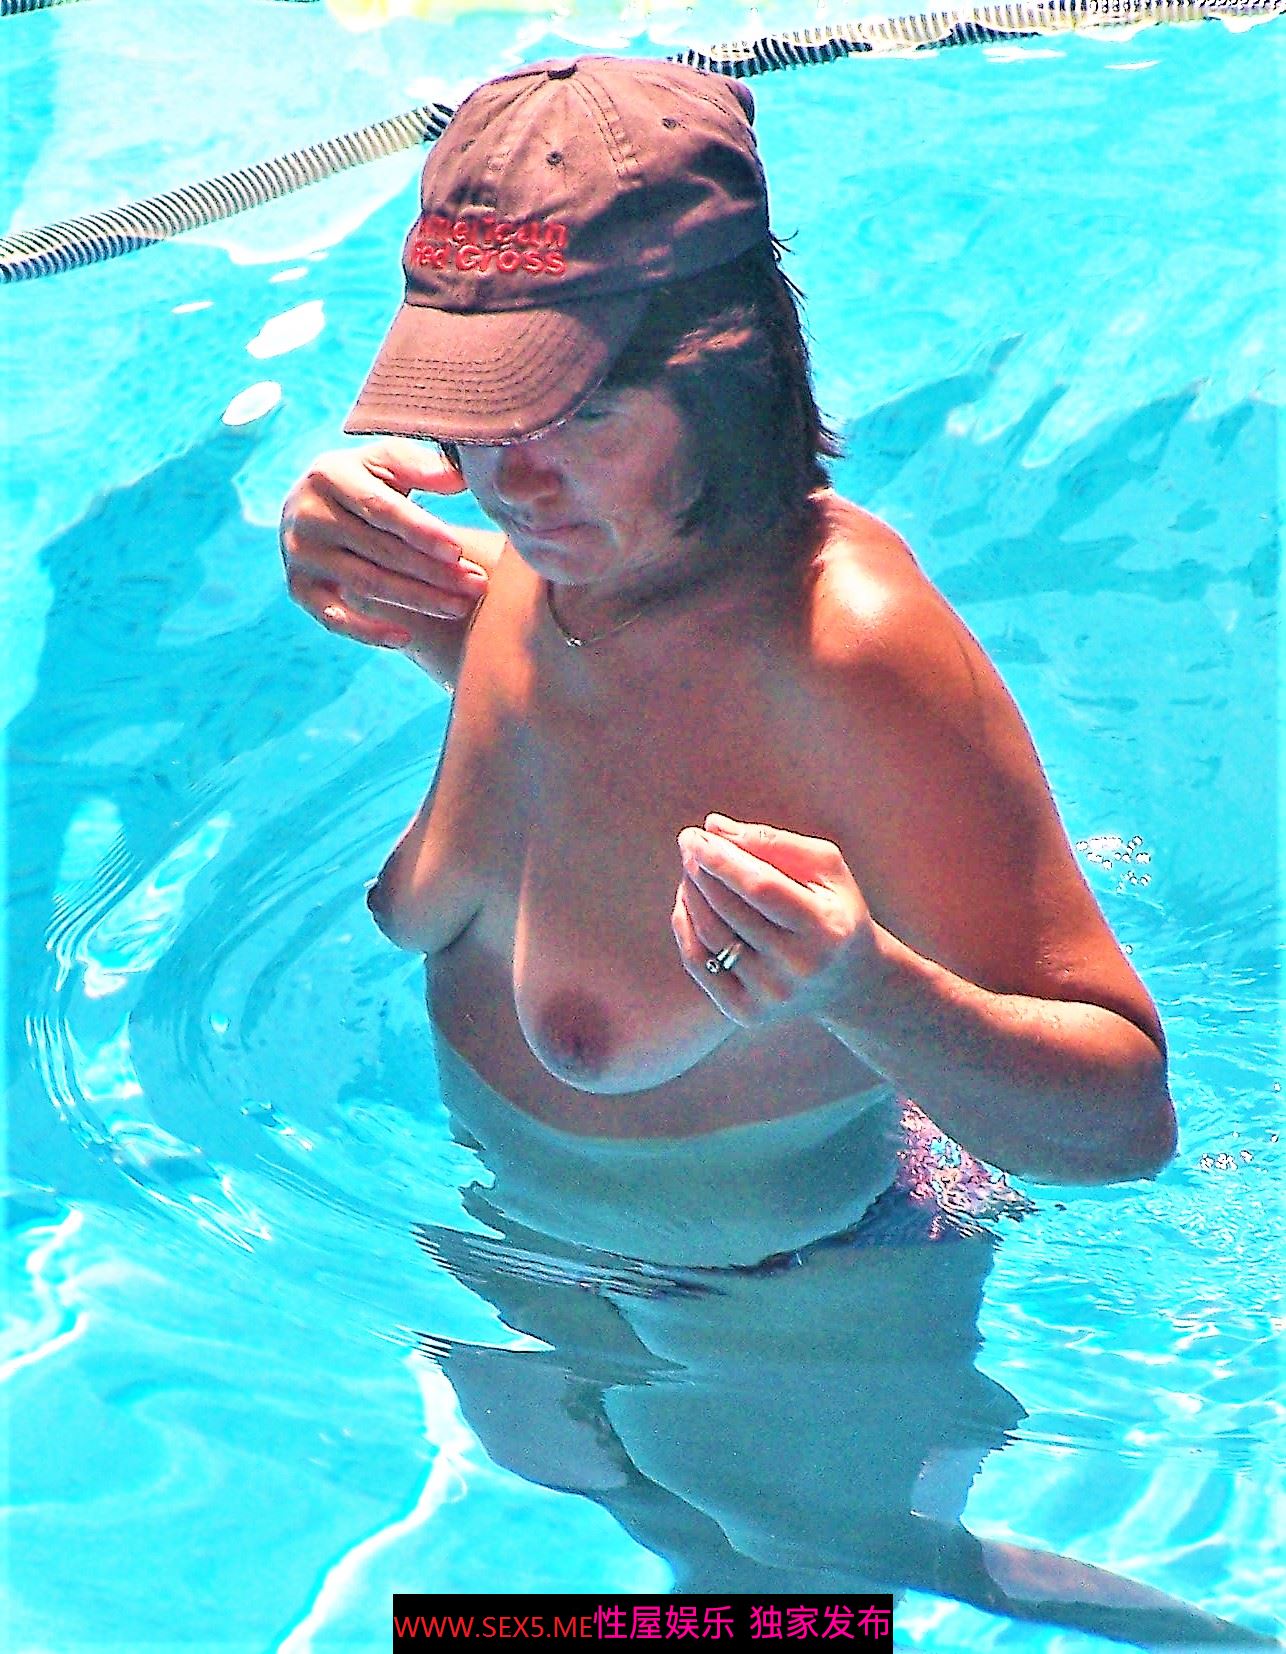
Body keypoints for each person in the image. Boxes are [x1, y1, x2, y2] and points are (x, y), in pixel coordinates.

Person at [274, 56, 1257, 1643]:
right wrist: (399, 601)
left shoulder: (845, 649)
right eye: (476, 412)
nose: (510, 478)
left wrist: (865, 989)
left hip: (803, 1307)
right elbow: (594, 769)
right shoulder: (563, 563)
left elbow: (1126, 1119)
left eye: (582, 411)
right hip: (542, 1254)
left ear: (727, 378)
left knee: (789, 1576)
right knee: (639, 1541)